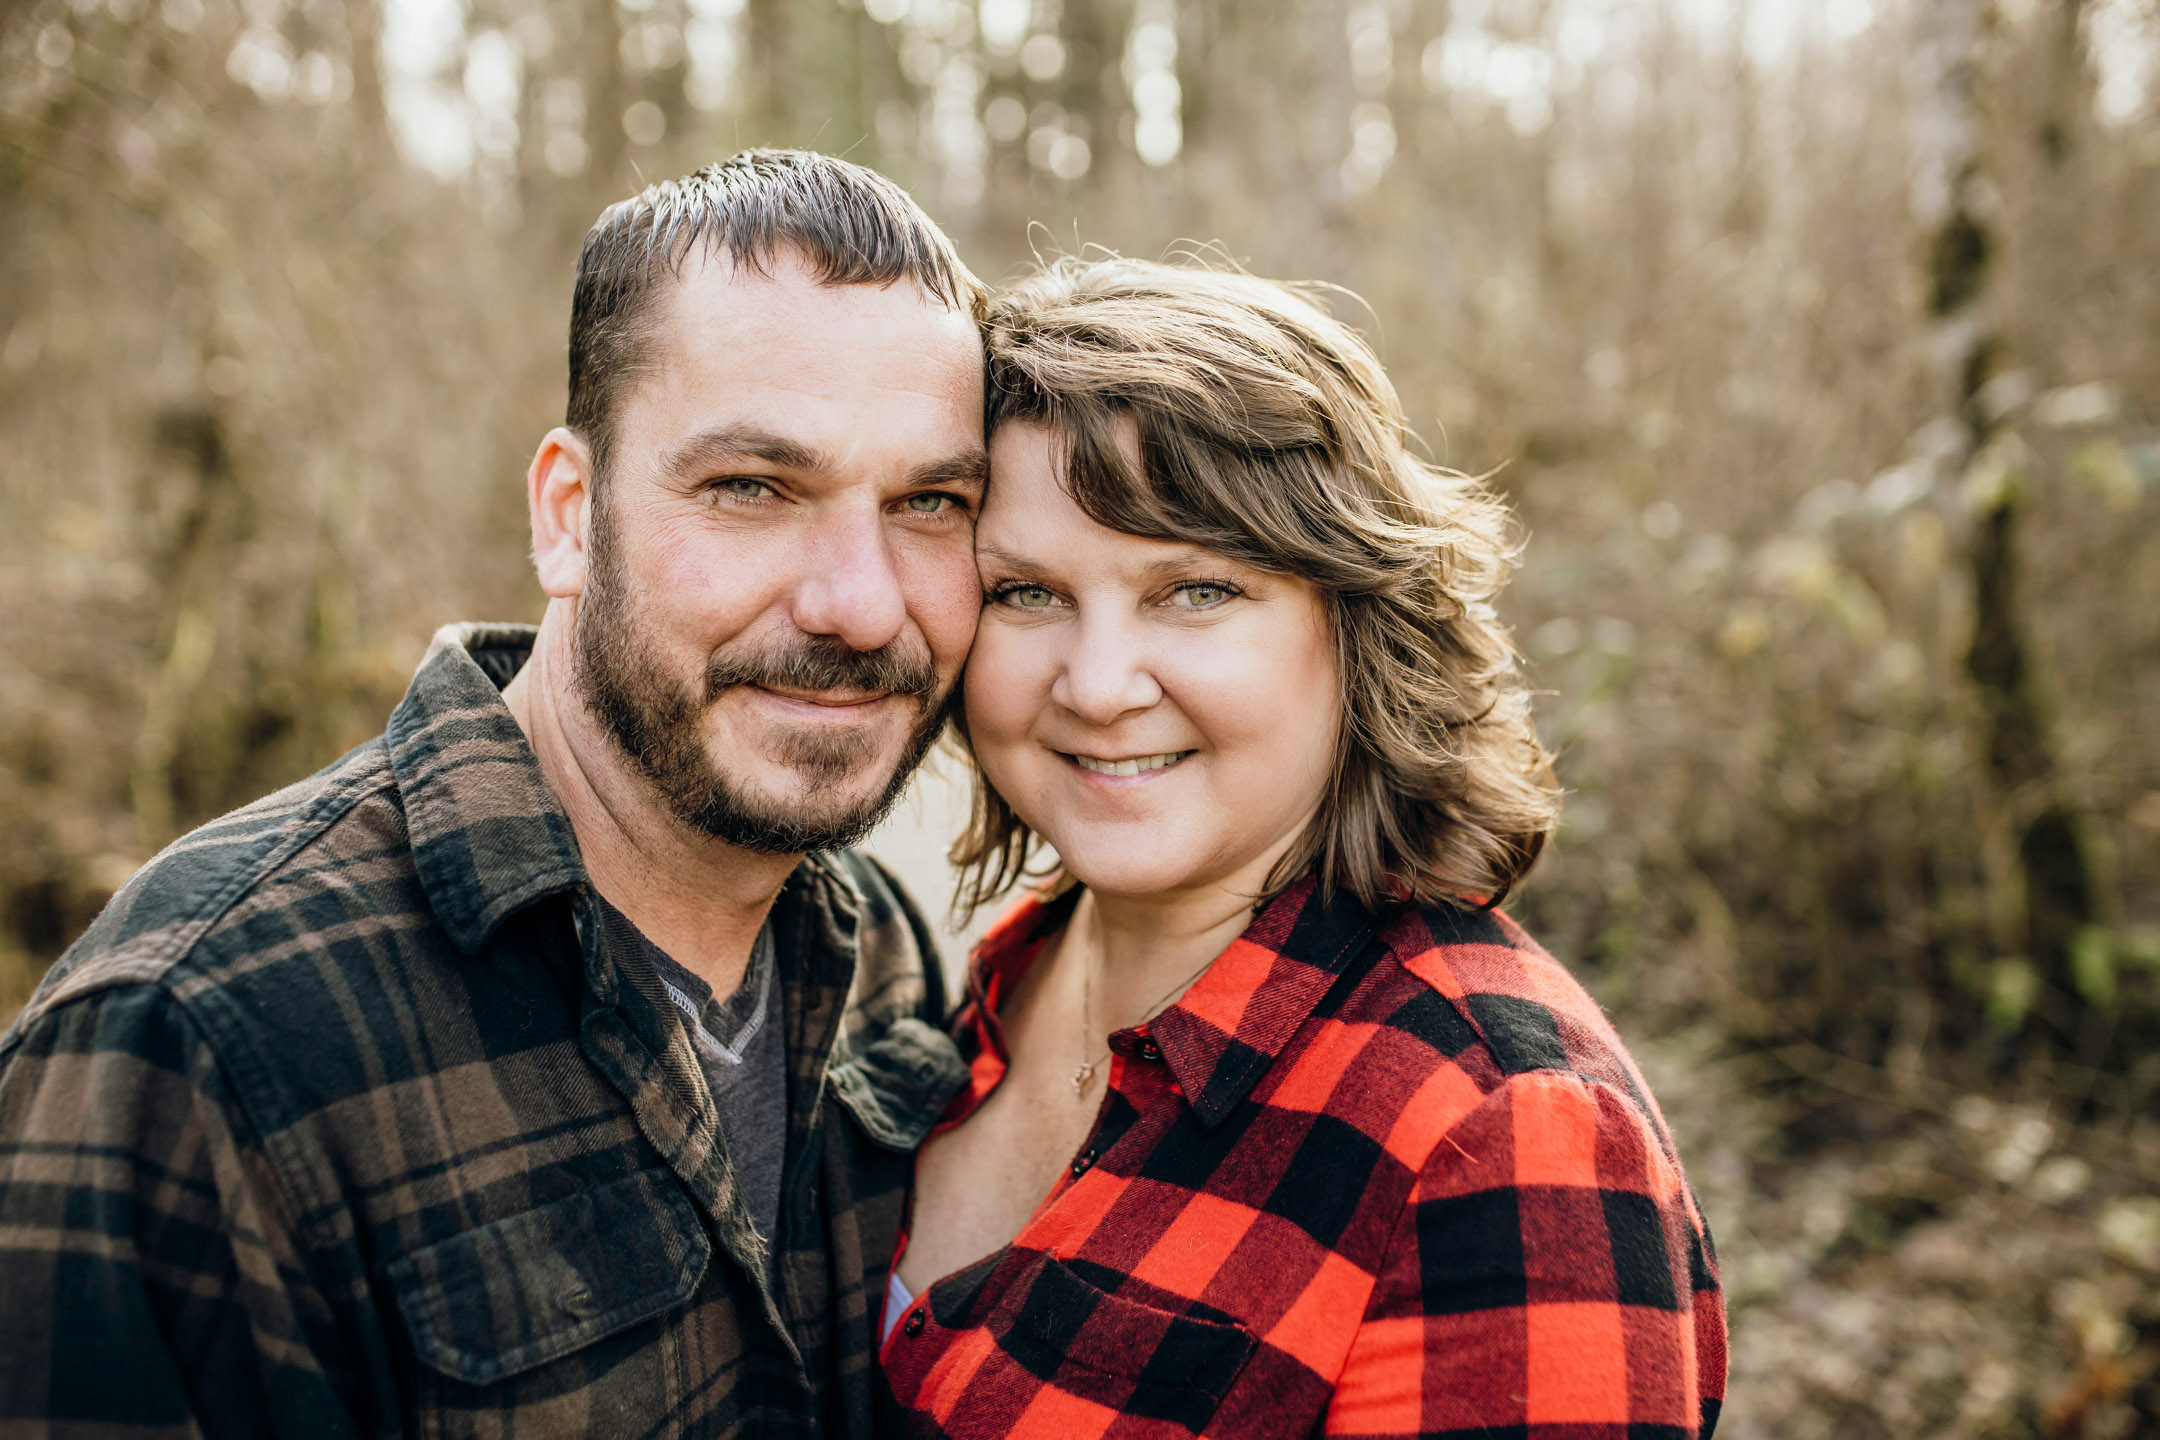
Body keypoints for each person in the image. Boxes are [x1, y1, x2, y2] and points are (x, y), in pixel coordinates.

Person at [0, 151, 986, 1438]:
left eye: (930, 504)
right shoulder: (193, 1037)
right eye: (753, 488)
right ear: (569, 515)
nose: (858, 604)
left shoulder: (880, 961)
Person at [880, 257, 1729, 1437]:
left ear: (1353, 621)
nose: (1099, 684)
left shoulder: (1501, 1129)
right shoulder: (992, 984)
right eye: (1027, 593)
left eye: (1195, 590)